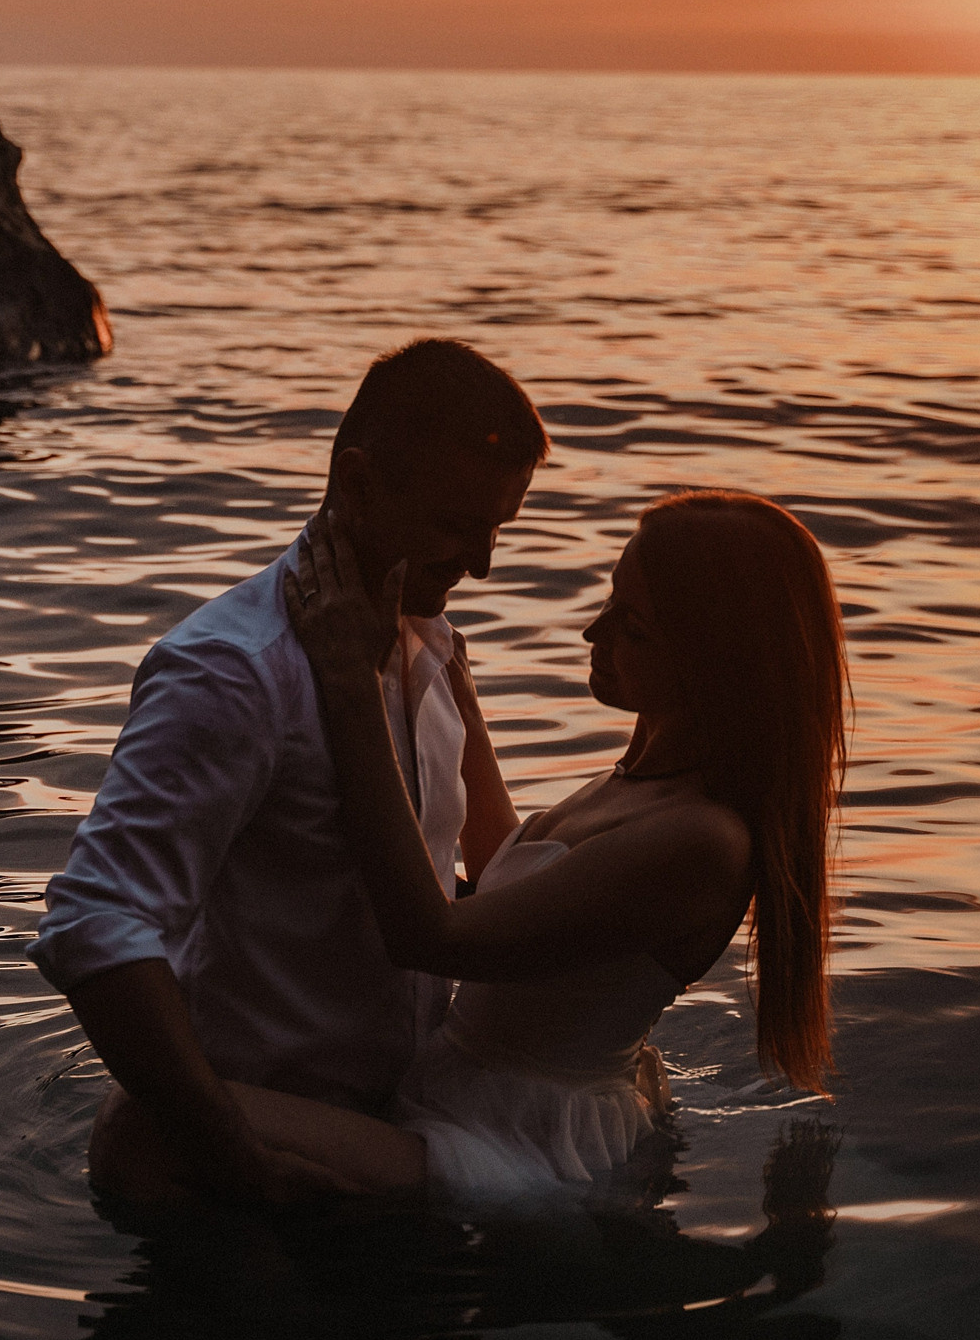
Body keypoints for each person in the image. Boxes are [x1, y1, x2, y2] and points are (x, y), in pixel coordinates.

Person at [31, 338, 549, 1205]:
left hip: (397, 1132)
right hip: (256, 1162)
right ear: (357, 484)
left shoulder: (432, 639)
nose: (484, 563)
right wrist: (239, 1159)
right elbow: (97, 922)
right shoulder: (231, 672)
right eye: (456, 527)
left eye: (499, 529)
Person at [236, 488, 849, 1210]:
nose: (593, 631)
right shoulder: (641, 778)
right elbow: (510, 881)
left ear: (711, 661)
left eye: (634, 627)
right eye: (611, 600)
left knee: (145, 1120)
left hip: (513, 1149)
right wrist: (443, 666)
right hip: (468, 1098)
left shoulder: (701, 840)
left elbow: (426, 934)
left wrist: (349, 685)